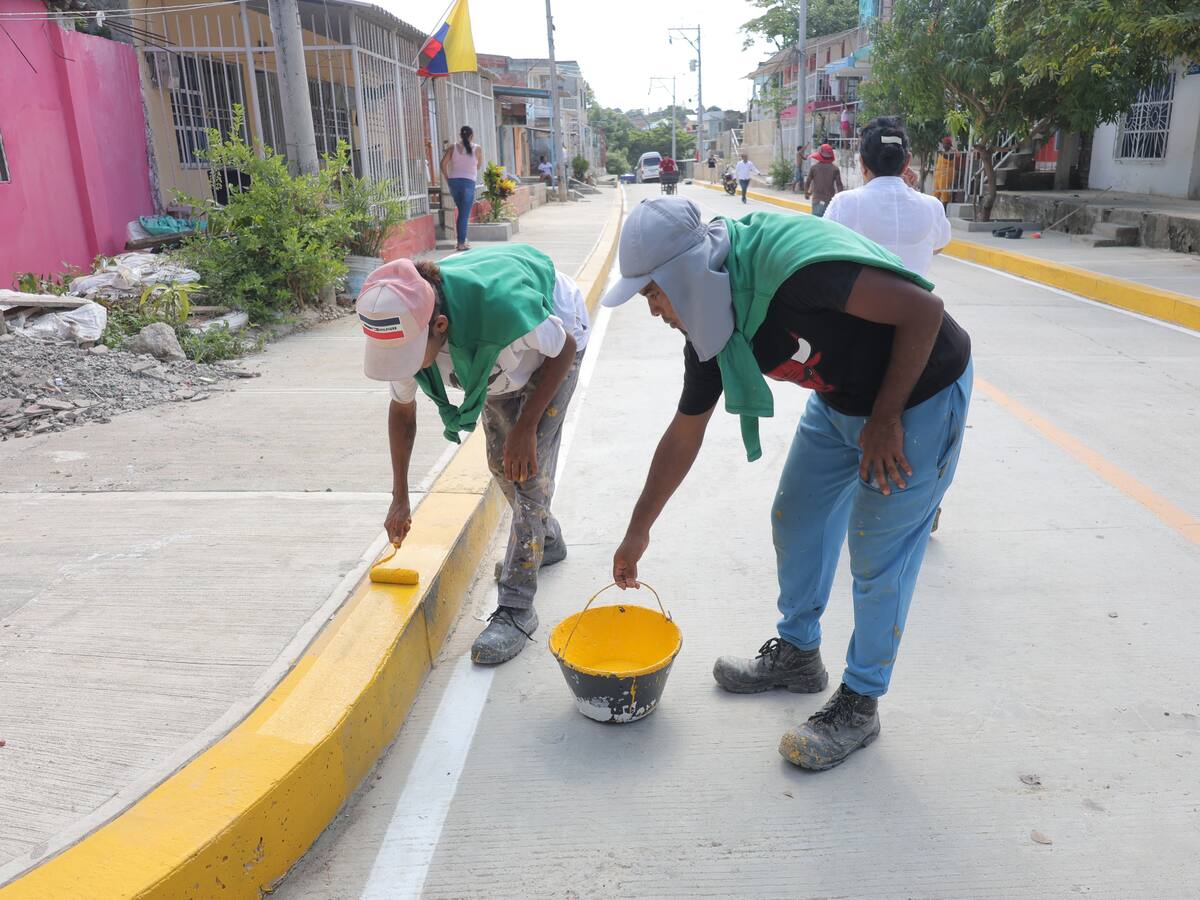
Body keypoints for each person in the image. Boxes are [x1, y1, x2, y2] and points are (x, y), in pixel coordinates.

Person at [601, 196, 972, 770]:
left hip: (918, 393)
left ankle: (860, 702)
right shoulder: (711, 319)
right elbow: (684, 433)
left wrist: (885, 418)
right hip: (841, 399)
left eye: (652, 292)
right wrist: (637, 532)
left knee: (877, 550)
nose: (653, 309)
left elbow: (924, 311)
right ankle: (798, 655)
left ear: (683, 275)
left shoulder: (798, 273)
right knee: (795, 517)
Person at [358, 245, 590, 665]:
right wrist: (399, 496)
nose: (403, 367)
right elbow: (403, 414)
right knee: (501, 465)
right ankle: (547, 541)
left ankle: (517, 609)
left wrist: (525, 427)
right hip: (500, 360)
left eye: (408, 357)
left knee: (529, 474)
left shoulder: (502, 312)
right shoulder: (409, 324)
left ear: (440, 326)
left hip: (556, 346)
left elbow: (565, 348)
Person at [827, 117, 954, 533]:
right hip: (922, 335)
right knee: (918, 423)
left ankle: (857, 503)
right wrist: (912, 193)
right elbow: (939, 241)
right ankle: (920, 507)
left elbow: (826, 250)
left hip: (861, 334)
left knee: (853, 424)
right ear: (907, 161)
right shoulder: (930, 206)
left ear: (861, 163)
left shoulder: (847, 204)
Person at [441, 125, 483, 252]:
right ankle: (460, 243)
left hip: (454, 182)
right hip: (468, 183)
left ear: (460, 135)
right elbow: (478, 165)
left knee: (461, 212)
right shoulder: (477, 149)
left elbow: (443, 164)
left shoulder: (452, 147)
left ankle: (462, 240)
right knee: (464, 214)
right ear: (472, 136)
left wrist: (448, 179)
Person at [804, 143, 843, 217]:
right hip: (830, 202)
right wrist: (841, 200)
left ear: (819, 155)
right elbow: (839, 185)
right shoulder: (835, 169)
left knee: (817, 225)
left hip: (817, 200)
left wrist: (806, 193)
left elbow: (808, 182)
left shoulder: (814, 168)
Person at [933, 136, 955, 207]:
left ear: (948, 145)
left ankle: (944, 211)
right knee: (936, 194)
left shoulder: (951, 152)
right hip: (939, 175)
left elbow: (948, 157)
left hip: (946, 175)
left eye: (944, 144)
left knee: (944, 193)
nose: (943, 145)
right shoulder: (942, 151)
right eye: (943, 144)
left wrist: (942, 153)